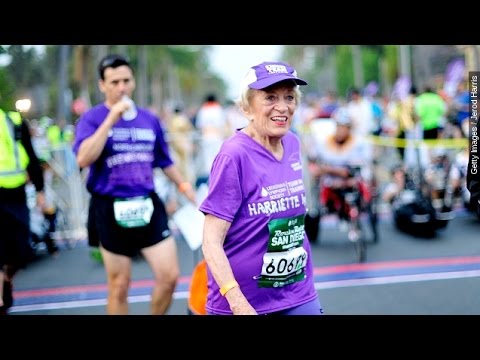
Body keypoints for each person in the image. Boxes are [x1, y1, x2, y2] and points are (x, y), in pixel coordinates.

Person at [72, 54, 196, 315]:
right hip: (109, 206)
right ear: (102, 85)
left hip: (147, 203)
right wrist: (110, 121)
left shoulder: (150, 120)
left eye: (126, 80)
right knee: (119, 284)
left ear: (134, 82)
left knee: (170, 276)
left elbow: (165, 161)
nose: (121, 87)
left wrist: (188, 191)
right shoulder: (92, 118)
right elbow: (83, 158)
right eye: (114, 82)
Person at [199, 61, 323, 315]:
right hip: (244, 303)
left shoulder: (293, 144)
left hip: (297, 293)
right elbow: (211, 242)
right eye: (270, 98)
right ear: (247, 108)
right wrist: (238, 302)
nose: (283, 107)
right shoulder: (234, 156)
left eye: (289, 97)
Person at [0, 106, 45, 315]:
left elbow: (30, 155)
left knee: (20, 252)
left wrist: (40, 189)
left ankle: (7, 280)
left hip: (16, 195)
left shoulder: (13, 120)